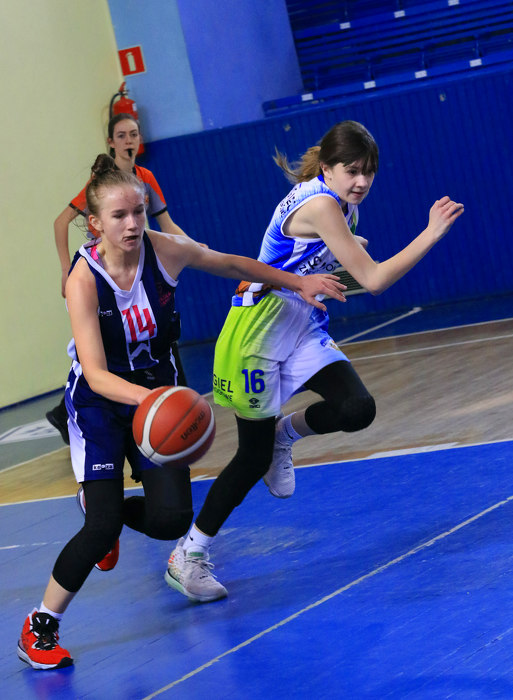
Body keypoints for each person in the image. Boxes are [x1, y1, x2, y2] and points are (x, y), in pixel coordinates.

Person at [17, 155, 346, 670]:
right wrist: (152, 401)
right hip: (102, 406)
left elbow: (232, 264)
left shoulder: (164, 250)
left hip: (158, 396)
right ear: (95, 223)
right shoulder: (84, 279)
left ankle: (108, 515)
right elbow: (97, 374)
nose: (132, 223)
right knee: (100, 527)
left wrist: (293, 281)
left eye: (138, 212)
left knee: (171, 520)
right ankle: (40, 625)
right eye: (119, 216)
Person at [164, 119, 464, 604]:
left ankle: (286, 434)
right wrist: (430, 234)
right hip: (257, 332)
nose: (361, 181)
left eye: (368, 171)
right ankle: (189, 553)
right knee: (250, 457)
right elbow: (374, 282)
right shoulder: (323, 205)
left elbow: (318, 259)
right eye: (352, 170)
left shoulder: (340, 203)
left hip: (301, 324)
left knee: (356, 408)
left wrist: (343, 253)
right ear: (327, 168)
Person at [46, 113, 189, 444]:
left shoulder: (145, 177)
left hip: (142, 269)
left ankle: (171, 418)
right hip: (108, 275)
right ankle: (74, 411)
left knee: (159, 338)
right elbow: (60, 222)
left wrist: (193, 248)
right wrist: (66, 269)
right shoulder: (101, 185)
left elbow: (167, 225)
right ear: (111, 142)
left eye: (134, 134)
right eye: (122, 135)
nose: (129, 141)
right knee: (104, 348)